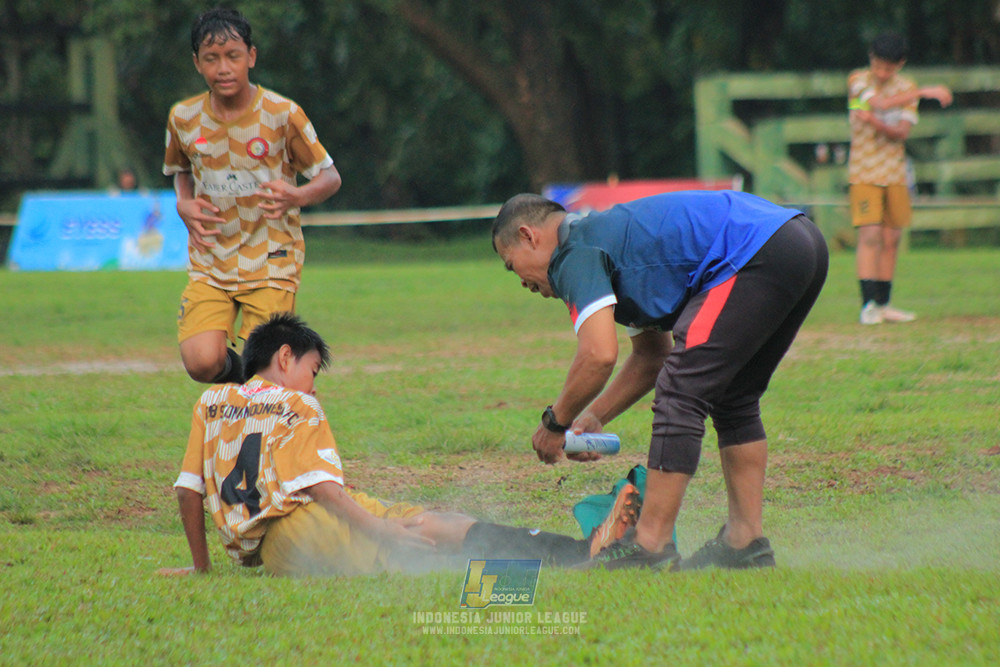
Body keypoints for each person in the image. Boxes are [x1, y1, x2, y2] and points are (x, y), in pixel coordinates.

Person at [491, 190, 828, 570]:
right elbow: (652, 357)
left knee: (680, 391)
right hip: (796, 241)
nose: (519, 280)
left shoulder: (573, 253)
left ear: (528, 236)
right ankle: (744, 542)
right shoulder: (611, 245)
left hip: (757, 248)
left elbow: (598, 355)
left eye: (510, 264)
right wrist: (596, 416)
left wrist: (556, 423)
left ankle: (649, 544)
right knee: (734, 397)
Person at [158, 313, 640, 577]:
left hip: (273, 547)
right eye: (311, 371)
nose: (313, 386)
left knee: (435, 525)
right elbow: (322, 487)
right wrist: (380, 531)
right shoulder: (297, 405)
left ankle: (578, 553)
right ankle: (582, 557)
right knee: (431, 553)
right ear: (285, 356)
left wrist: (202, 568)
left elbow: (187, 492)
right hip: (304, 534)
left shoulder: (212, 401)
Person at [163, 8, 342, 384]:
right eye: (212, 58)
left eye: (233, 56)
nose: (223, 68)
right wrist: (184, 202)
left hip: (271, 257)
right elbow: (180, 169)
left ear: (252, 57)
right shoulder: (183, 117)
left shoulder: (282, 114)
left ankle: (274, 403)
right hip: (212, 258)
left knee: (269, 373)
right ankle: (251, 378)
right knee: (200, 361)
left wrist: (297, 195)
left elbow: (330, 177)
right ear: (197, 63)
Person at [848, 31, 952, 325]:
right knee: (869, 236)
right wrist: (922, 94)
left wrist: (875, 122)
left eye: (888, 68)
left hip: (895, 172)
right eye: (878, 65)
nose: (881, 73)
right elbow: (878, 103)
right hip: (863, 171)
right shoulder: (858, 80)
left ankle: (884, 304)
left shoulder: (906, 86)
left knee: (891, 238)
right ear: (871, 59)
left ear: (901, 64)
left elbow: (902, 132)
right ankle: (867, 304)